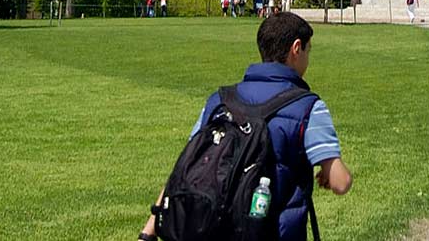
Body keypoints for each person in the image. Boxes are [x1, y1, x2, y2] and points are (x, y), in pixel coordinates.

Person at [139, 12, 351, 241]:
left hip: (214, 231)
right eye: (309, 50)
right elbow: (341, 183)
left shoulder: (219, 100)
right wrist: (329, 173)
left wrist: (148, 232)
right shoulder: (308, 106)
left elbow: (185, 168)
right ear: (296, 48)